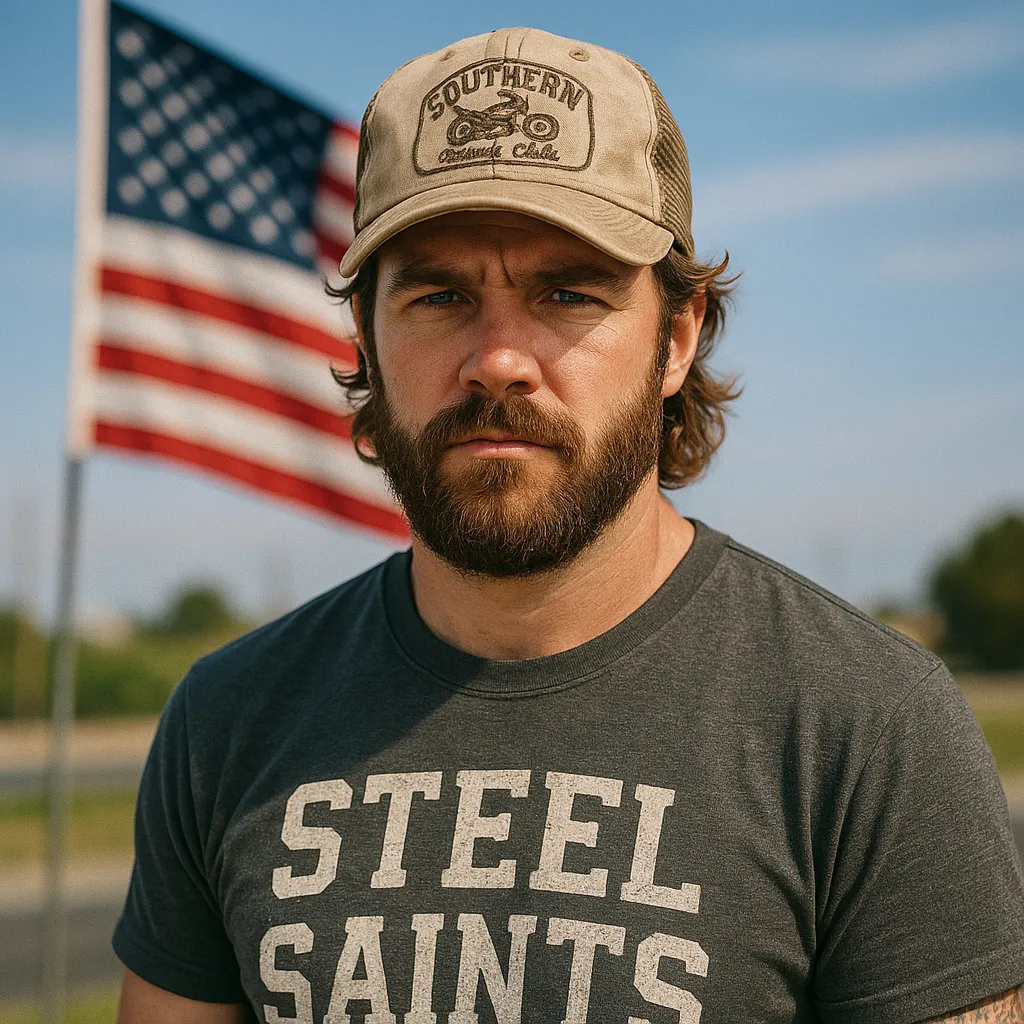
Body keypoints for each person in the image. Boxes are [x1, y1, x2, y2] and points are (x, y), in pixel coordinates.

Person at [114, 27, 1024, 1024]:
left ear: (675, 338)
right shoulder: (227, 722)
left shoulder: (865, 727)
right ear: (365, 337)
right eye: (438, 294)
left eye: (567, 292)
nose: (497, 358)